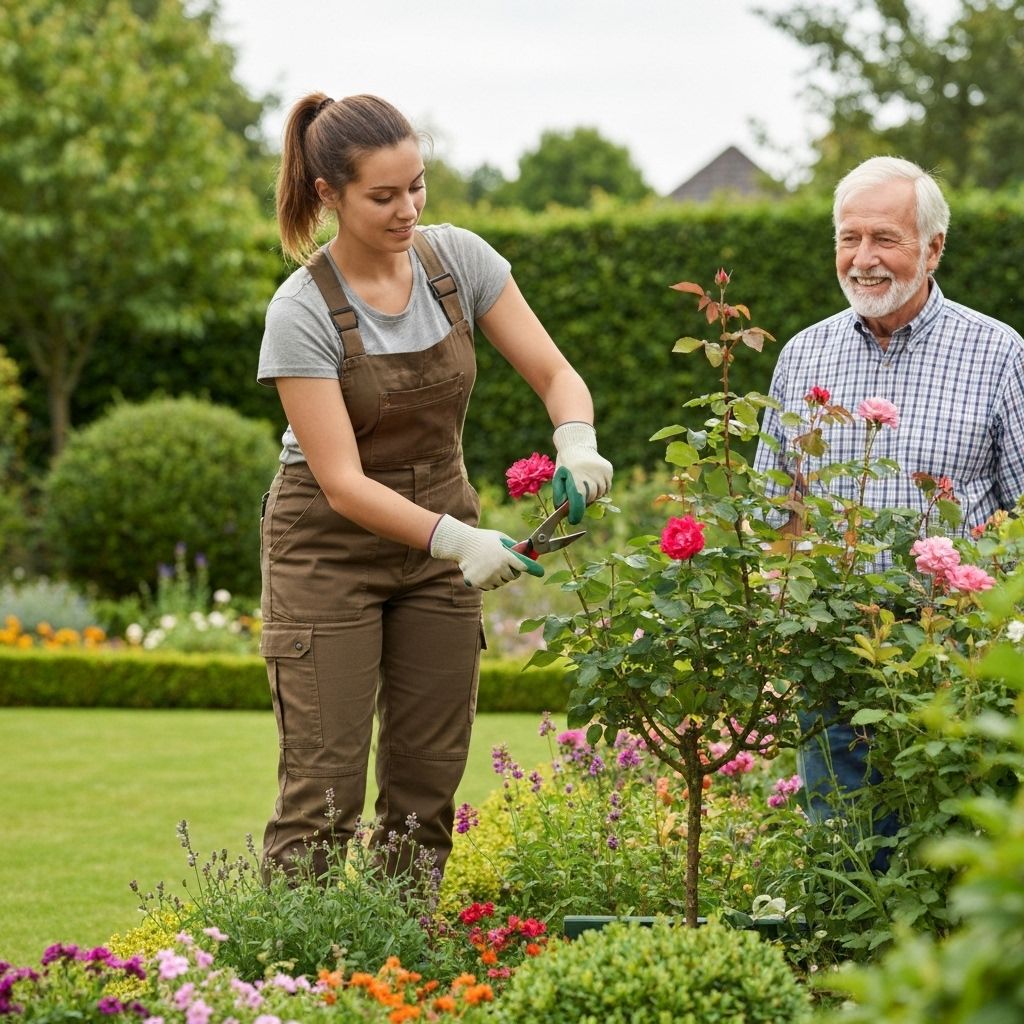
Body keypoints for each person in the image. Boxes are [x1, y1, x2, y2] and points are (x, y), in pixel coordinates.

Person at [255, 93, 613, 880]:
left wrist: (576, 438)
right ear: (328, 195)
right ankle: (287, 985)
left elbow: (556, 373)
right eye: (383, 196)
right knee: (323, 795)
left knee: (424, 789)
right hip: (329, 552)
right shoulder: (301, 310)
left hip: (438, 551)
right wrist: (457, 539)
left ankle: (400, 970)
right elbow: (343, 483)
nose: (408, 208)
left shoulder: (458, 262)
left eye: (417, 185)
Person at [753, 156, 1024, 851]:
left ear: (933, 248)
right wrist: (787, 623)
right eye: (849, 238)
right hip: (834, 655)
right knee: (842, 854)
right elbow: (774, 511)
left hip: (955, 663)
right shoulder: (803, 356)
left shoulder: (1000, 354)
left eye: (885, 238)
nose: (863, 259)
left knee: (956, 854)